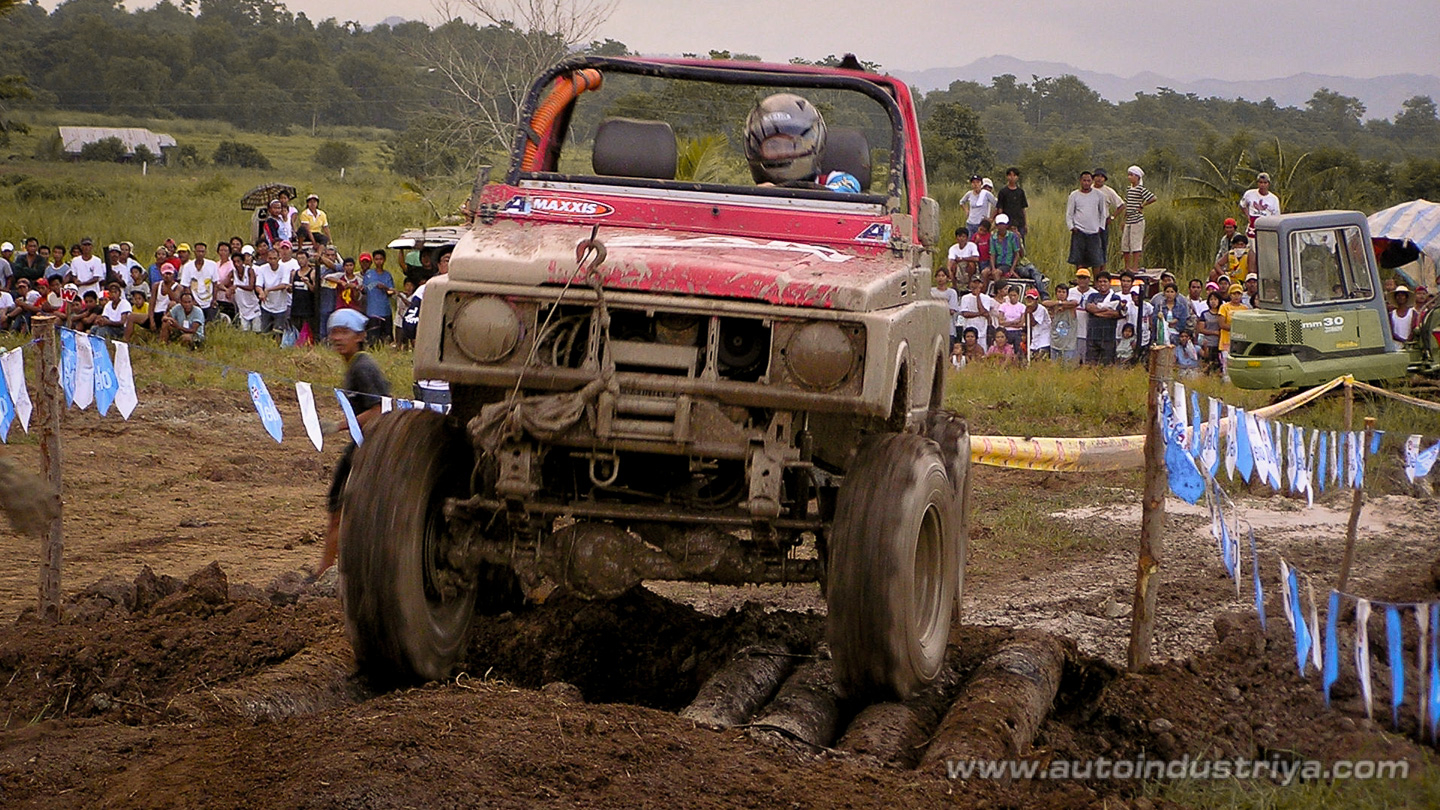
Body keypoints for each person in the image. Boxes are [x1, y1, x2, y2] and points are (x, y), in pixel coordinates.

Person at [317, 307, 392, 577]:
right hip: (366, 444)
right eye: (333, 332)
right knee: (342, 507)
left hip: (369, 446)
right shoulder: (356, 365)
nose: (337, 337)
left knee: (339, 507)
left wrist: (338, 425)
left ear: (360, 335)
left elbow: (379, 410)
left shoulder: (363, 367)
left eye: (344, 331)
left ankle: (325, 572)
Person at [743, 94, 861, 192]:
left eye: (792, 145)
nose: (783, 152)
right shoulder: (755, 196)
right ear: (757, 150)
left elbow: (848, 189)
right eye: (773, 145)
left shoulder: (834, 180)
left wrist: (781, 190)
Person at [1066, 172, 1108, 275]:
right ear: (1080, 181)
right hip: (1079, 231)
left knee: (1096, 260)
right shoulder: (1074, 195)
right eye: (1084, 180)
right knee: (1079, 260)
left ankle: (1097, 283)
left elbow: (1103, 213)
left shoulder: (1099, 195)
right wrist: (1072, 227)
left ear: (1092, 181)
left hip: (1094, 232)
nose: (1086, 183)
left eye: (1088, 180)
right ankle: (1081, 281)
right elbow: (1069, 213)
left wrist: (1101, 227)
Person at [1084, 271, 1125, 365]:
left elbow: (1115, 313)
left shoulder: (1115, 297)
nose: (1102, 284)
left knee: (1107, 366)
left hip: (1108, 336)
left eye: (1105, 281)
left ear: (1109, 283)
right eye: (1100, 281)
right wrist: (1105, 310)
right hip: (1093, 335)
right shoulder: (1093, 296)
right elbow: (1089, 308)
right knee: (1090, 365)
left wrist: (1097, 312)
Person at [1121, 166, 1157, 272]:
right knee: (1125, 244)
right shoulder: (1129, 189)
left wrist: (1142, 205)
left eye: (1132, 175)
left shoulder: (1140, 189)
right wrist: (1123, 219)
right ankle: (1127, 266)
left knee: (1135, 243)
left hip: (1137, 219)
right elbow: (1126, 204)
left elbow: (1153, 198)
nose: (1129, 177)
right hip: (1129, 219)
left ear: (1137, 177)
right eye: (1129, 175)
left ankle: (1135, 267)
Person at [1091, 169, 1123, 264]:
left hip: (1103, 223)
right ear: (1093, 178)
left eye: (1102, 177)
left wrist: (1112, 217)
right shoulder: (1089, 189)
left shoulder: (1108, 191)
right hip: (1089, 223)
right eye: (1097, 176)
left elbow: (1121, 205)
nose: (1099, 179)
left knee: (1102, 248)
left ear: (1104, 179)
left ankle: (1102, 273)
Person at [1217, 283, 1249, 379]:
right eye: (1234, 294)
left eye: (1238, 294)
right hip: (1226, 340)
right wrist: (1236, 328)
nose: (1236, 296)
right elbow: (1222, 324)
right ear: (1230, 295)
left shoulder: (1245, 309)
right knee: (1226, 365)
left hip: (1240, 340)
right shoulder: (1224, 307)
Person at [958, 276, 995, 350]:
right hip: (968, 329)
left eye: (978, 283)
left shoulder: (986, 298)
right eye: (974, 282)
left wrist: (978, 296)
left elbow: (984, 311)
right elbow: (965, 314)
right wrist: (979, 314)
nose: (976, 285)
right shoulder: (965, 297)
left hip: (982, 331)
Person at [1239, 172, 1281, 236]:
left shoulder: (1274, 199)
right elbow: (1242, 205)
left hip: (1266, 224)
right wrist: (1248, 216)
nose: (1262, 185)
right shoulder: (1249, 194)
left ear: (1268, 184)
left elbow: (1276, 216)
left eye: (1265, 183)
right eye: (1260, 182)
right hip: (1252, 224)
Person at [1045, 282, 1077, 362]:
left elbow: (1075, 303)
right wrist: (1058, 304)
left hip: (1068, 346)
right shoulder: (1053, 306)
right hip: (1055, 344)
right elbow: (1044, 303)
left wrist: (1061, 305)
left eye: (1063, 292)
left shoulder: (1071, 307)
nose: (1061, 294)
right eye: (1059, 292)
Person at [930, 269, 960, 350]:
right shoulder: (931, 291)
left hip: (948, 329)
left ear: (947, 278)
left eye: (943, 276)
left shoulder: (952, 293)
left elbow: (952, 310)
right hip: (933, 328)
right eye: (938, 276)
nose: (940, 278)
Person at [1197, 290, 1225, 372]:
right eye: (1211, 299)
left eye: (1215, 299)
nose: (1213, 302)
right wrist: (1214, 332)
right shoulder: (1204, 314)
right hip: (1208, 343)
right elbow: (1201, 329)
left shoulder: (1222, 314)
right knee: (1207, 365)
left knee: (1219, 366)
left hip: (1220, 343)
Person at [996, 168, 1028, 237]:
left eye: (1014, 175)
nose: (1012, 177)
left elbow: (1023, 208)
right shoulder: (1003, 192)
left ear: (1017, 177)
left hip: (1019, 222)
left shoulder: (1020, 192)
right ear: (1007, 177)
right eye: (1010, 175)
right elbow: (1000, 208)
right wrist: (1000, 223)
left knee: (1020, 243)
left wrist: (1025, 223)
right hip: (1007, 223)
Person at [1024, 288, 1051, 360]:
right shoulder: (1027, 309)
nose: (1030, 300)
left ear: (1036, 300)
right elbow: (1027, 324)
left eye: (1032, 299)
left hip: (1044, 339)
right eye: (1028, 298)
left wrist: (1029, 313)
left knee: (1040, 359)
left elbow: (1033, 323)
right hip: (1035, 338)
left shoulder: (1041, 309)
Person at [996, 285, 1026, 349]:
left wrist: (1007, 323)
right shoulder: (1003, 306)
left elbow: (1021, 324)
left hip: (1018, 332)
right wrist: (1014, 322)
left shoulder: (1022, 307)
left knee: (1018, 350)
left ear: (1018, 295)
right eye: (1010, 295)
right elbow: (1000, 322)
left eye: (1014, 295)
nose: (1012, 297)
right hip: (1006, 331)